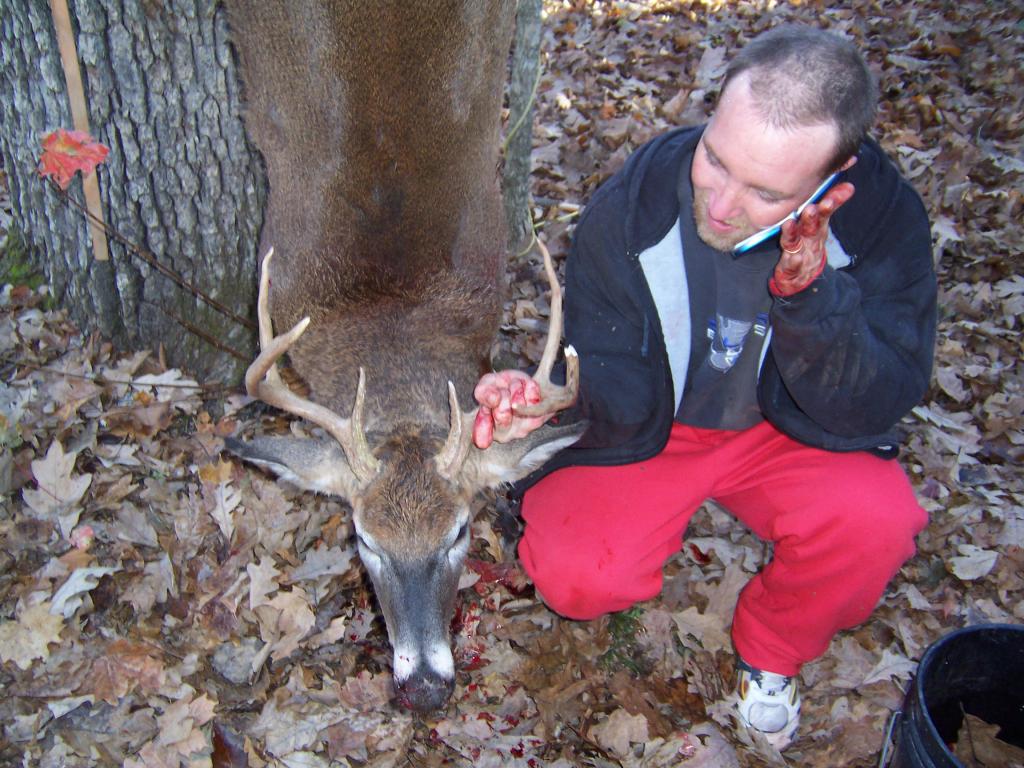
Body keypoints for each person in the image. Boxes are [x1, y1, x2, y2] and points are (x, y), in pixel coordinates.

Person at [473, 23, 936, 749]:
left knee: (876, 525)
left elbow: (879, 396)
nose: (720, 204)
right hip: (663, 428)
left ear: (835, 175)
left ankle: (773, 649)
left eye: (764, 191)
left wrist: (812, 300)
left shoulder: (882, 222)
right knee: (572, 574)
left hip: (791, 433)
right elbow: (610, 370)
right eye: (715, 160)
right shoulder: (635, 205)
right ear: (713, 112)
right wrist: (546, 405)